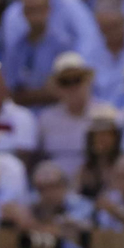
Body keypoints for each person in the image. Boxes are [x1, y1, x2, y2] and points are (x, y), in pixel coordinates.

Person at [37, 52, 98, 182]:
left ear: (88, 81)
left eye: (77, 79)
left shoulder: (103, 114)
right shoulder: (46, 119)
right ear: (57, 87)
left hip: (93, 189)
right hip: (54, 191)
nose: (72, 87)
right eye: (65, 82)